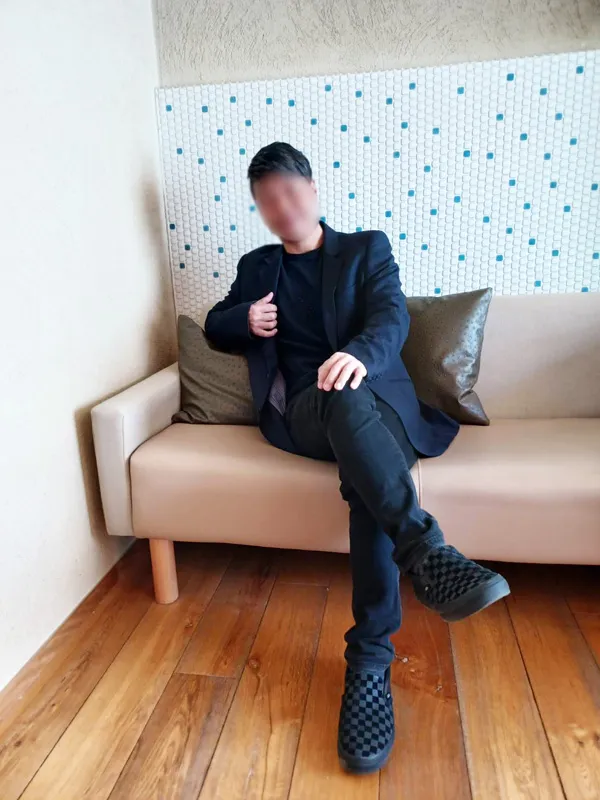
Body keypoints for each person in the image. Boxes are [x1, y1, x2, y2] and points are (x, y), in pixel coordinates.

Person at [205, 141, 510, 774]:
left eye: (290, 191)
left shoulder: (367, 248)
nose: (282, 207)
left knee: (363, 469)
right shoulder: (257, 267)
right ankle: (425, 561)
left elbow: (391, 318)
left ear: (313, 190)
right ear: (260, 210)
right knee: (339, 406)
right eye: (267, 201)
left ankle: (370, 663)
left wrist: (358, 356)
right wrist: (244, 320)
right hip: (304, 413)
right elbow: (214, 324)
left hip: (378, 404)